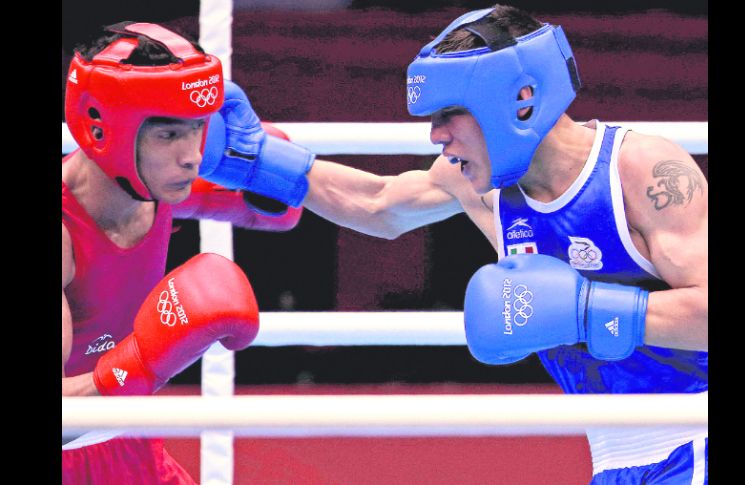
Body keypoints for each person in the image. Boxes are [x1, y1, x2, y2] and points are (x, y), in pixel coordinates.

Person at [210, 5, 707, 484]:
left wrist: (585, 310)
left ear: (521, 100)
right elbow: (379, 204)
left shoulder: (642, 171)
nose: (435, 135)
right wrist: (260, 165)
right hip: (615, 455)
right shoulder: (479, 186)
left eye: (450, 114)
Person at [61, 21, 306, 484]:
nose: (192, 156)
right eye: (169, 135)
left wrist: (272, 176)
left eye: (198, 129)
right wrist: (139, 365)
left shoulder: (152, 182)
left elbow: (280, 210)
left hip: (132, 444)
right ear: (102, 131)